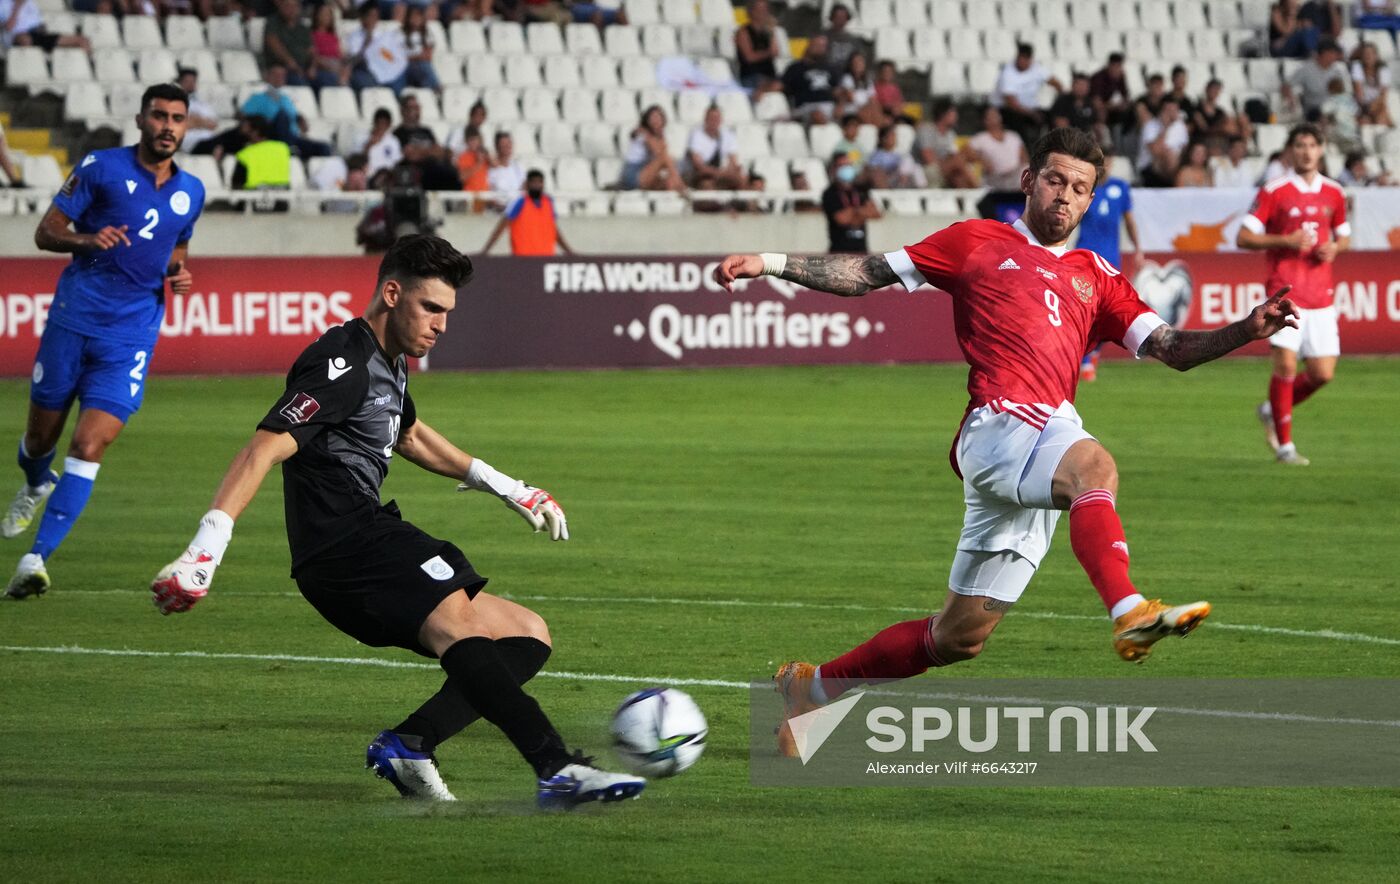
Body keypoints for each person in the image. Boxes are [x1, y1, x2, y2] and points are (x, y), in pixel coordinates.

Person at [710, 127, 1300, 755]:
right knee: (1094, 467)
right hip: (1000, 424)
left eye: (1079, 188)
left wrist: (1246, 329)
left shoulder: (1097, 275)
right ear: (1028, 181)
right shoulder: (975, 241)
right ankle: (1128, 610)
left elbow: (1172, 350)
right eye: (1054, 181)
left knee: (957, 637)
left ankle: (813, 691)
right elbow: (867, 272)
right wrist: (768, 263)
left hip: (1035, 444)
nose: (1064, 197)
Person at [149, 234, 644, 808]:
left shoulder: (389, 363)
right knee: (460, 624)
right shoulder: (344, 361)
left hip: (359, 545)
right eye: (431, 308)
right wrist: (204, 551)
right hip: (346, 545)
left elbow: (407, 434)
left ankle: (412, 744)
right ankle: (556, 769)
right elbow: (264, 447)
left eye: (448, 313)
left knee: (526, 635)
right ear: (392, 293)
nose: (441, 325)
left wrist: (508, 487)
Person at [4, 84, 205, 598]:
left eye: (177, 118)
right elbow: (46, 232)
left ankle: (35, 558)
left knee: (89, 443)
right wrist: (87, 239)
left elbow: (175, 246)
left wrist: (178, 274)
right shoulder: (99, 167)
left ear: (186, 126)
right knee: (39, 442)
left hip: (130, 335)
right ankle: (34, 481)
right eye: (159, 116)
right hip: (74, 321)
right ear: (140, 119)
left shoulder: (192, 191)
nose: (167, 126)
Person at [1236, 123, 1349, 467]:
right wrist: (1284, 240)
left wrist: (1334, 248)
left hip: (1322, 296)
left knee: (1322, 373)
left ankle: (1272, 410)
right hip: (1284, 291)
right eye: (1299, 145)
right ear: (1291, 150)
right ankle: (1285, 447)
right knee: (1285, 364)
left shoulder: (1335, 192)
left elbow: (1344, 235)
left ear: (1321, 149)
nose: (1306, 151)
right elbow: (1244, 237)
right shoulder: (1275, 190)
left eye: (1312, 145)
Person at [1073, 143, 1141, 381]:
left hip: (1110, 262)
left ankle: (1090, 355)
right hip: (1083, 260)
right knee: (1084, 312)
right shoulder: (1082, 188)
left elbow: (1129, 221)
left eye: (1108, 161)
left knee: (1106, 314)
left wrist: (1138, 249)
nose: (1106, 166)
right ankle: (1081, 359)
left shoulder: (1120, 188)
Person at [480, 169, 575, 255]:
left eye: (539, 182)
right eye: (533, 182)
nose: (536, 185)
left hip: (546, 257)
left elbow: (554, 231)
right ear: (527, 184)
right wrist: (485, 251)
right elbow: (501, 227)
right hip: (524, 259)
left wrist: (569, 252)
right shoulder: (520, 202)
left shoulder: (548, 202)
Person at [992, 43, 1062, 145]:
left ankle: (1052, 147)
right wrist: (1032, 114)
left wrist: (1059, 98)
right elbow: (1011, 102)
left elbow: (1055, 83)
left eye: (1026, 58)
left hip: (1030, 108)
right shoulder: (1007, 73)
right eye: (1021, 58)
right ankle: (1025, 149)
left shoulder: (1036, 68)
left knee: (1055, 118)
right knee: (1018, 124)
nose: (1023, 62)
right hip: (1009, 110)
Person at [821, 151, 880, 254]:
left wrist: (852, 213)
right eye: (841, 166)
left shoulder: (860, 190)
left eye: (848, 165)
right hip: (839, 253)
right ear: (834, 169)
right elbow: (841, 219)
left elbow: (875, 213)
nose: (845, 169)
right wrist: (860, 212)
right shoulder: (830, 193)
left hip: (862, 252)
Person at [619, 105, 686, 193]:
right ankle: (682, 185)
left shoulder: (660, 137)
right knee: (664, 157)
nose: (656, 121)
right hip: (633, 174)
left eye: (658, 117)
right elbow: (659, 154)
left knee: (668, 181)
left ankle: (677, 200)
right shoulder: (643, 133)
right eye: (653, 117)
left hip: (646, 173)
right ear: (647, 120)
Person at [1281, 38, 1349, 118]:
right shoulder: (1306, 69)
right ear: (1325, 53)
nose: (1335, 57)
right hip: (1314, 109)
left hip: (1333, 108)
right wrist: (1290, 99)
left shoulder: (1337, 71)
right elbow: (1286, 86)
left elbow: (1341, 94)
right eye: (1333, 53)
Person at [915, 100, 976, 189]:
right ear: (943, 115)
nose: (956, 116)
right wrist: (949, 163)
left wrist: (951, 164)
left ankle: (969, 198)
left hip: (944, 169)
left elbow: (952, 154)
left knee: (959, 176)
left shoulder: (950, 134)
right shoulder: (926, 130)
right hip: (926, 170)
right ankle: (979, 188)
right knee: (959, 160)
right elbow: (928, 159)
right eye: (953, 113)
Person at [684, 106, 747, 191]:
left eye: (717, 118)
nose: (714, 121)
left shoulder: (728, 135)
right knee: (707, 184)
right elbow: (699, 166)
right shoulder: (696, 135)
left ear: (721, 120)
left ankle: (741, 203)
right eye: (711, 118)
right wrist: (721, 173)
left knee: (742, 180)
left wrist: (731, 171)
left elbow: (733, 161)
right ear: (705, 119)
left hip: (721, 174)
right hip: (701, 176)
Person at [782, 35, 836, 124]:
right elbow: (782, 85)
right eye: (817, 45)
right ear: (809, 46)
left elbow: (836, 89)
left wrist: (841, 103)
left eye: (823, 46)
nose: (820, 49)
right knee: (817, 115)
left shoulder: (830, 68)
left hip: (829, 106)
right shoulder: (796, 68)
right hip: (806, 106)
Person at [1136, 98, 1189, 187]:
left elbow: (1184, 151)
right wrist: (1166, 127)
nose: (1171, 113)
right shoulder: (1150, 126)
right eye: (1169, 110)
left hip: (1173, 168)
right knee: (1168, 155)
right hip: (1151, 168)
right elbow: (1155, 151)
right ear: (1161, 111)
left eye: (1174, 110)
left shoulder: (1181, 127)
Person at [734, 0, 781, 93]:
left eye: (765, 10)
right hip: (752, 76)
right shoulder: (743, 32)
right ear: (751, 11)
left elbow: (775, 52)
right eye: (759, 10)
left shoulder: (768, 32)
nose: (763, 13)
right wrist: (768, 53)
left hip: (769, 75)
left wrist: (771, 32)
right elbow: (749, 57)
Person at [1351, 42, 1393, 127]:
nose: (1368, 56)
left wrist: (1373, 107)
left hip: (1378, 105)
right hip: (1362, 106)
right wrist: (1366, 110)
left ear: (1376, 55)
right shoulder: (1357, 67)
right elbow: (1359, 93)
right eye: (1365, 54)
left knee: (1381, 120)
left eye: (1370, 54)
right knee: (1364, 123)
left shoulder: (1383, 70)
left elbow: (1383, 96)